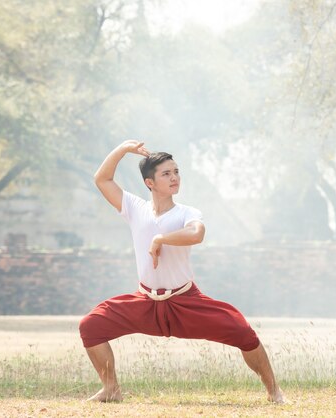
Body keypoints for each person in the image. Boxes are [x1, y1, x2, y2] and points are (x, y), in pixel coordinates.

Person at [79, 140, 285, 404]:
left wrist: (161, 239)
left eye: (176, 172)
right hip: (145, 302)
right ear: (149, 183)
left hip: (186, 301)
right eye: (166, 173)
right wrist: (122, 150)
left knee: (243, 331)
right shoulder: (135, 208)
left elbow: (196, 233)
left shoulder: (187, 212)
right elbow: (102, 179)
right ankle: (111, 389)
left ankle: (274, 391)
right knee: (91, 326)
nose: (174, 177)